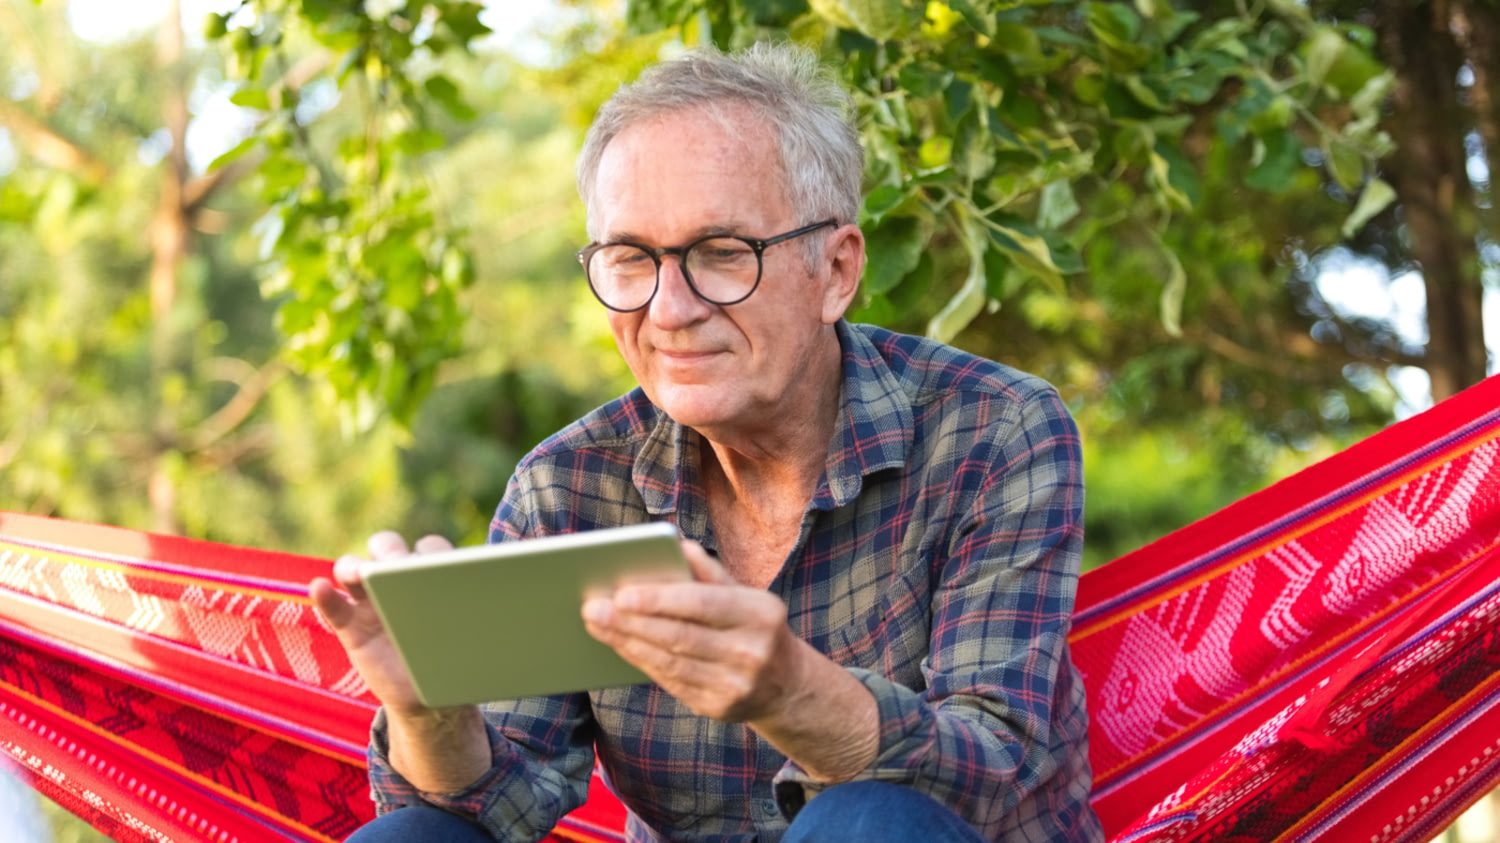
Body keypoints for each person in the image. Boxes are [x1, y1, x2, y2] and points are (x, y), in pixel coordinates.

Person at [311, 41, 1102, 842]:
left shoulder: (993, 430)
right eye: (631, 259)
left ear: (835, 270)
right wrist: (430, 711)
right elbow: (497, 807)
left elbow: (999, 769)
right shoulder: (569, 487)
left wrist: (791, 692)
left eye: (722, 254)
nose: (670, 308)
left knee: (869, 819)